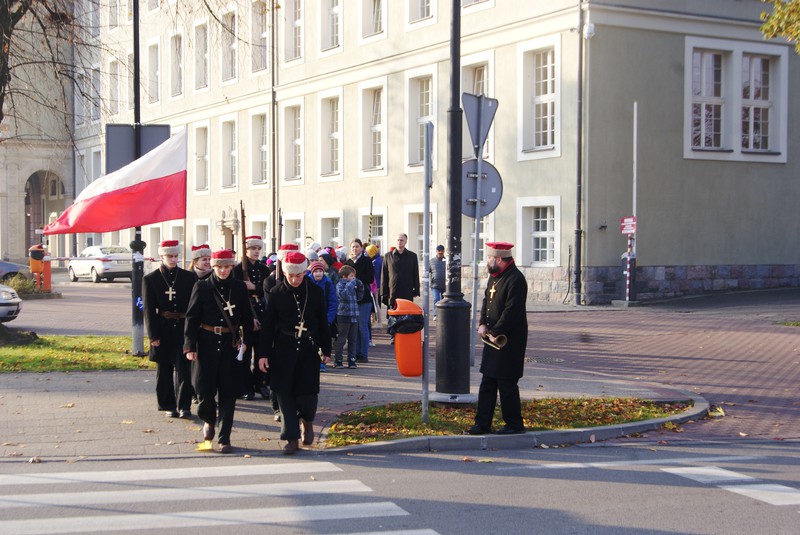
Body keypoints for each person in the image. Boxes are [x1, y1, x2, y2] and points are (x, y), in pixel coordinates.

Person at [258, 252, 331, 454]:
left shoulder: (315, 292)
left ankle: (307, 421)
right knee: (284, 393)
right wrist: (262, 354)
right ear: (284, 272)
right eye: (291, 275)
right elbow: (268, 326)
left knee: (308, 396)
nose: (294, 279)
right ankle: (291, 437)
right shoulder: (276, 293)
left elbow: (323, 322)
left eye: (298, 275)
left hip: (308, 348)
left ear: (304, 272)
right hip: (283, 348)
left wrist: (327, 349)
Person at [184, 249, 253, 453]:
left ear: (232, 267)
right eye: (219, 267)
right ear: (213, 266)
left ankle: (225, 438)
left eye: (227, 267)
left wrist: (246, 341)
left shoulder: (239, 287)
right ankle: (208, 420)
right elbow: (192, 317)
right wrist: (190, 345)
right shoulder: (202, 286)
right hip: (206, 344)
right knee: (204, 392)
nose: (223, 271)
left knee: (228, 393)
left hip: (230, 344)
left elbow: (248, 318)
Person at [467, 242, 529, 436]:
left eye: (490, 258)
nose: (487, 262)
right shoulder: (495, 277)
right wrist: (483, 323)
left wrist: (496, 331)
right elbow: (487, 301)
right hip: (492, 338)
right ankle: (482, 424)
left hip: (508, 340)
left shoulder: (516, 279)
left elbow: (512, 311)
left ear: (499, 259)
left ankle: (514, 424)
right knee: (488, 382)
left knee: (507, 383)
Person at [143, 240, 197, 419]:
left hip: (183, 327)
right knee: (164, 369)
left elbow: (194, 306)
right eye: (170, 256)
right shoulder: (151, 279)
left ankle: (184, 405)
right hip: (163, 327)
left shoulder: (188, 277)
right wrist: (153, 335)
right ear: (161, 256)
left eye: (176, 256)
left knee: (184, 369)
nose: (173, 260)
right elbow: (149, 310)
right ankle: (167, 404)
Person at [233, 235, 271, 400]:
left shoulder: (263, 269)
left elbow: (268, 290)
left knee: (261, 349)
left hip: (261, 311)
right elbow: (236, 295)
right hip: (245, 314)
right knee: (245, 352)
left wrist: (254, 287)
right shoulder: (237, 269)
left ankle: (260, 383)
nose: (256, 252)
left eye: (258, 249)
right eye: (252, 248)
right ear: (246, 250)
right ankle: (245, 386)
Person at [381, 233, 420, 333]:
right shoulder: (388, 256)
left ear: (406, 241)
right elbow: (384, 274)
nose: (399, 242)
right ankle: (393, 334)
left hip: (407, 289)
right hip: (393, 290)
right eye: (398, 240)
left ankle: (404, 332)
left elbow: (415, 273)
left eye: (402, 240)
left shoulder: (412, 256)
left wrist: (416, 290)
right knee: (393, 313)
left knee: (406, 313)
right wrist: (383, 291)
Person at [345, 239, 374, 363]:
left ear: (362, 248)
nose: (355, 249)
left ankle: (363, 353)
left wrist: (356, 279)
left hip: (364, 298)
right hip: (352, 298)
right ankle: (355, 353)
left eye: (357, 246)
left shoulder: (366, 261)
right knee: (354, 327)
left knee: (362, 325)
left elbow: (370, 278)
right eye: (353, 247)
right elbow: (344, 278)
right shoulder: (348, 262)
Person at [307, 260, 337, 371]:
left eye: (320, 271)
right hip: (311, 318)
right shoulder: (307, 282)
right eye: (316, 271)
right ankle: (310, 361)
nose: (318, 274)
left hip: (324, 318)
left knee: (322, 342)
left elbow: (333, 302)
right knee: (311, 341)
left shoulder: (328, 284)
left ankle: (321, 361)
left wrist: (328, 319)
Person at [334, 264, 364, 369]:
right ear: (344, 277)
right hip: (344, 315)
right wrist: (351, 285)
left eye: (354, 276)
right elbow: (343, 296)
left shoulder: (353, 285)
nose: (353, 278)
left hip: (354, 315)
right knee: (342, 339)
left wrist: (360, 286)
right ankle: (338, 360)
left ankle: (351, 359)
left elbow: (360, 297)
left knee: (353, 339)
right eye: (351, 276)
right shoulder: (340, 285)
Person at [430, 244, 446, 320]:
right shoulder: (432, 261)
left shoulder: (446, 260)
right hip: (435, 285)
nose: (440, 252)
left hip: (444, 285)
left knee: (444, 300)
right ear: (436, 251)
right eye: (439, 251)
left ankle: (444, 314)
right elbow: (427, 271)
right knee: (436, 299)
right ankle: (436, 314)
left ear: (443, 251)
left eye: (441, 251)